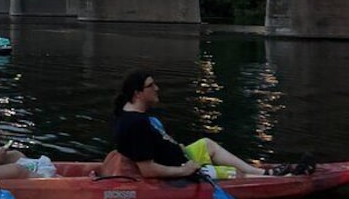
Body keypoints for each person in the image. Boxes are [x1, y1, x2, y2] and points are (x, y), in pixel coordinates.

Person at [112, 70, 315, 179]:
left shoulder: (130, 113)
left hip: (180, 158)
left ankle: (262, 172)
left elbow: (155, 144)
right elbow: (148, 170)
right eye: (151, 86)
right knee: (235, 174)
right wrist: (184, 171)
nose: (157, 88)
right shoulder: (135, 124)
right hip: (179, 171)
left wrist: (178, 148)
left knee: (207, 143)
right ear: (137, 93)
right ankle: (284, 178)